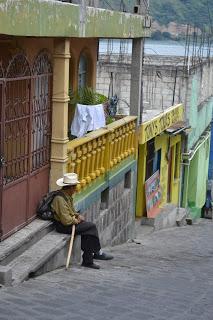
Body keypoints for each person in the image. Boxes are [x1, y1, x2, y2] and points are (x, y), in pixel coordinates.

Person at [51, 173, 113, 269]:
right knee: (91, 227)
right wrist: (76, 220)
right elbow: (66, 220)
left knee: (88, 233)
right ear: (70, 188)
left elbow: (71, 211)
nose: (76, 189)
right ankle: (96, 252)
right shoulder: (59, 199)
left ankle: (88, 260)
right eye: (75, 187)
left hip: (70, 223)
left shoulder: (67, 196)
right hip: (63, 226)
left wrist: (77, 215)